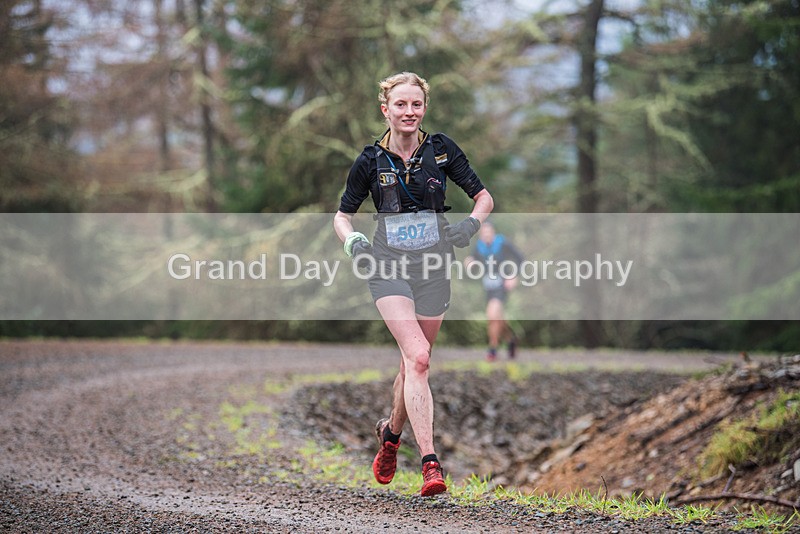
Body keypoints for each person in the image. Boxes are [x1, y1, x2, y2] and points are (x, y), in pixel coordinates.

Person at [333, 72, 494, 496]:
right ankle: (430, 464)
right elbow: (341, 215)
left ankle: (389, 435)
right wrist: (354, 244)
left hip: (435, 267)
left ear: (424, 109)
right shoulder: (369, 160)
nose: (409, 112)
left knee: (412, 364)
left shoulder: (441, 151)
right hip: (387, 267)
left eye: (416, 105)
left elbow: (484, 197)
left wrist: (469, 228)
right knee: (420, 358)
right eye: (400, 105)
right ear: (385, 109)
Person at [465, 220, 523, 362]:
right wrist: (469, 261)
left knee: (492, 315)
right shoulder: (479, 246)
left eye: (488, 232)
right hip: (489, 286)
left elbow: (520, 258)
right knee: (497, 317)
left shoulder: (502, 243)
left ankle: (492, 349)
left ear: (493, 232)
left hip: (502, 285)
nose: (486, 235)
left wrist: (514, 276)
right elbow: (472, 258)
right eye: (483, 233)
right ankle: (511, 339)